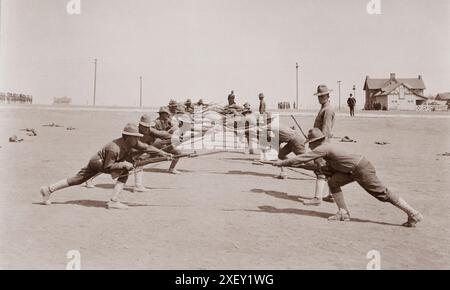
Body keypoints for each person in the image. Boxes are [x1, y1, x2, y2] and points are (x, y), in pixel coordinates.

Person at [274, 128, 423, 227]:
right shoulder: (327, 146)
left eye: (310, 144)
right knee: (333, 182)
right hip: (352, 170)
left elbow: (303, 158)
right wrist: (289, 165)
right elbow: (316, 166)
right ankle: (343, 213)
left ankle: (413, 213)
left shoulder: (323, 148)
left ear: (314, 142)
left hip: (361, 168)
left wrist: (283, 162)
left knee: (383, 194)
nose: (310, 147)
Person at [40, 124, 171, 209]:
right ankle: (113, 201)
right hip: (98, 162)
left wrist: (164, 153)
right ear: (127, 137)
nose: (137, 140)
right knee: (124, 171)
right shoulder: (114, 148)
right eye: (135, 137)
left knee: (77, 179)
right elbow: (109, 167)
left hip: (101, 160)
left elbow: (147, 147)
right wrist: (125, 164)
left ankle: (48, 189)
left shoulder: (132, 142)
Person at [307, 84, 336, 205]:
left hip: (322, 143)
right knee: (328, 170)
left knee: (320, 169)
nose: (319, 98)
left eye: (321, 96)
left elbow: (326, 130)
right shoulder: (324, 107)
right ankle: (331, 195)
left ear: (327, 96)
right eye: (319, 96)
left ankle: (317, 198)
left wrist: (320, 146)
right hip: (321, 142)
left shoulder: (328, 109)